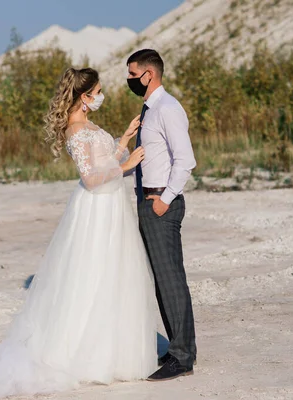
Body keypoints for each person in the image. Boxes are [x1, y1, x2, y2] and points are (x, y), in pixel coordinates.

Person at [0, 67, 157, 399]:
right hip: (96, 208)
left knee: (113, 275)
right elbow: (92, 177)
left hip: (110, 205)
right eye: (98, 91)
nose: (101, 95)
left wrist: (122, 141)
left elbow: (102, 161)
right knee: (93, 275)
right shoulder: (76, 130)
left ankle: (115, 351)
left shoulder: (88, 125)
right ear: (84, 96)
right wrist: (127, 165)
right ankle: (88, 355)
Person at [126, 49, 197, 381]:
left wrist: (164, 200)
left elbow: (185, 160)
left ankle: (182, 356)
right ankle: (176, 347)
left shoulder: (167, 109)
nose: (129, 81)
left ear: (148, 75)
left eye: (132, 75)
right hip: (147, 200)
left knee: (171, 280)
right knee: (161, 282)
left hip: (161, 204)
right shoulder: (149, 110)